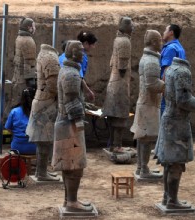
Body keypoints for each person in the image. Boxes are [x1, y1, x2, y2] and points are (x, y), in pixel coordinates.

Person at [154, 57, 195, 209]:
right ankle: (172, 201)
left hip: (169, 119)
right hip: (177, 123)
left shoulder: (170, 69)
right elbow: (184, 100)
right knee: (176, 164)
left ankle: (167, 198)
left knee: (169, 163)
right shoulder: (183, 71)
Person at [52, 40, 93, 212]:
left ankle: (69, 200)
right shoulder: (71, 74)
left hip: (65, 122)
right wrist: (80, 119)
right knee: (75, 165)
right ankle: (72, 202)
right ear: (75, 53)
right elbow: (72, 102)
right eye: (81, 51)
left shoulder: (68, 70)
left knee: (70, 165)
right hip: (70, 125)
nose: (83, 53)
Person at [130, 30, 164, 179]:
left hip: (146, 103)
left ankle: (140, 167)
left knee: (143, 137)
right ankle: (144, 169)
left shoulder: (148, 58)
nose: (162, 43)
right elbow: (152, 84)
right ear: (154, 42)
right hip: (149, 103)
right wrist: (167, 84)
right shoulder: (151, 61)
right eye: (160, 41)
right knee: (146, 137)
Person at [26, 44, 60, 181]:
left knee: (44, 141)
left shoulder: (43, 54)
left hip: (42, 102)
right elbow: (53, 85)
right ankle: (41, 173)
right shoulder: (51, 57)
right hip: (47, 103)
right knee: (45, 141)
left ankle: (42, 170)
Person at [102, 17, 134, 153]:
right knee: (120, 117)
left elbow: (111, 63)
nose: (133, 28)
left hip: (113, 82)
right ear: (126, 26)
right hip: (120, 83)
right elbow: (122, 66)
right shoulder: (125, 41)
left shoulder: (117, 39)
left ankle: (113, 145)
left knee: (114, 117)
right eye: (131, 25)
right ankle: (117, 145)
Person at [59, 31, 97, 101]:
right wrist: (88, 91)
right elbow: (79, 76)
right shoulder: (81, 57)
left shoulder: (62, 56)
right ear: (86, 43)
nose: (93, 47)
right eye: (93, 44)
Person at [160, 24, 186, 115]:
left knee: (164, 116)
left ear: (171, 33)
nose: (163, 32)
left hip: (168, 89)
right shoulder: (180, 48)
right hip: (178, 88)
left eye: (165, 30)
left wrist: (162, 89)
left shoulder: (170, 48)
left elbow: (167, 70)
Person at [11, 17, 37, 107]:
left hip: (16, 78)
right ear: (28, 28)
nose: (34, 28)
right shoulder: (28, 41)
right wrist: (32, 84)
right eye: (33, 26)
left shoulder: (19, 38)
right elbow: (29, 63)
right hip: (23, 82)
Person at [5, 87, 36, 155]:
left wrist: (17, 134)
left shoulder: (14, 111)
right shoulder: (37, 112)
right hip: (34, 148)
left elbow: (8, 128)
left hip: (17, 148)